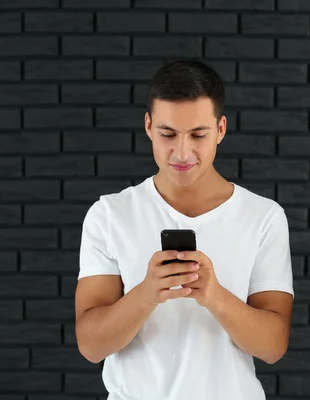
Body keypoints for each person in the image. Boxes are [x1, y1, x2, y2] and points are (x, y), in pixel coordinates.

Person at [75, 60, 294, 400]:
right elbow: (90, 345)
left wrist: (214, 295)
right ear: (148, 126)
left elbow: (273, 346)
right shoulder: (109, 214)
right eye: (168, 134)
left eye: (198, 135)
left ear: (220, 129)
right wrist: (147, 292)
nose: (182, 152)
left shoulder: (263, 216)